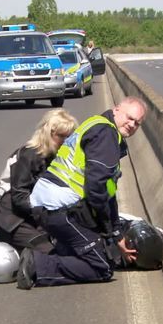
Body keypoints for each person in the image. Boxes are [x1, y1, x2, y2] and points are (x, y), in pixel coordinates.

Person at [17, 96, 148, 290]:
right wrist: (111, 232)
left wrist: (116, 232)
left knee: (94, 246)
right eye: (129, 118)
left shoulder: (97, 124)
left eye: (137, 123)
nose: (131, 124)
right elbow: (97, 190)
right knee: (102, 266)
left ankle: (61, 253)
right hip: (59, 208)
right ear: (117, 109)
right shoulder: (106, 135)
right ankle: (37, 265)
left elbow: (108, 193)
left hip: (46, 203)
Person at [0, 109, 78, 254]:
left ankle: (5, 242)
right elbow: (20, 198)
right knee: (49, 252)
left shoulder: (55, 155)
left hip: (32, 215)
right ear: (48, 133)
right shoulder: (30, 155)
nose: (66, 141)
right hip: (11, 217)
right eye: (61, 136)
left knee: (69, 244)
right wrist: (47, 216)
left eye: (70, 136)